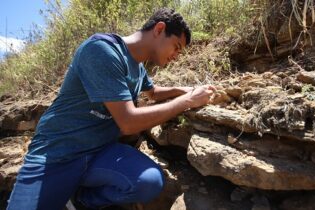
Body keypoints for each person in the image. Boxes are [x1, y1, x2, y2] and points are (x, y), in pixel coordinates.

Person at [7, 7, 215, 210]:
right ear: (159, 29)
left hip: (99, 153)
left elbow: (153, 92)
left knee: (149, 181)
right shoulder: (101, 50)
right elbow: (128, 122)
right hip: (57, 153)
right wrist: (188, 101)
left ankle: (81, 201)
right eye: (176, 46)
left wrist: (186, 90)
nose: (176, 55)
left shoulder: (138, 66)